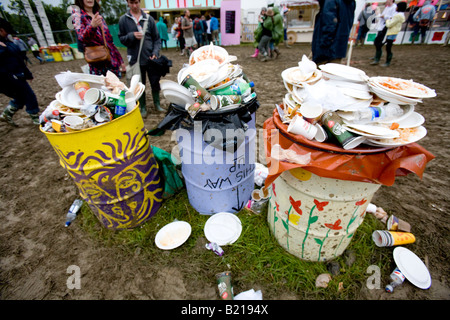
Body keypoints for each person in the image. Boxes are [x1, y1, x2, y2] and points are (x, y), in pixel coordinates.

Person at [119, 0, 164, 116]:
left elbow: (156, 39)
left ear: (139, 2)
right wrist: (131, 36)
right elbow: (121, 39)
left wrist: (155, 52)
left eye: (136, 2)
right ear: (128, 3)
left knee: (155, 82)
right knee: (139, 83)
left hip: (151, 58)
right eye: (131, 3)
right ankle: (142, 107)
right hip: (135, 59)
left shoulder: (148, 19)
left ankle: (157, 104)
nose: (134, 6)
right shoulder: (123, 20)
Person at [0, 18, 40, 126]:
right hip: (7, 77)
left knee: (20, 97)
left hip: (17, 75)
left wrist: (27, 74)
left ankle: (6, 114)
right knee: (29, 95)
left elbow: (19, 60)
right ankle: (35, 117)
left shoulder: (8, 43)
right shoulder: (3, 45)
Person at [72, 0, 124, 77]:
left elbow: (109, 41)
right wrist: (92, 26)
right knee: (100, 88)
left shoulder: (98, 15)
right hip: (97, 62)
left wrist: (120, 61)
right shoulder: (77, 15)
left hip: (111, 62)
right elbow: (81, 37)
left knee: (117, 87)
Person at [311, 0, 356, 65]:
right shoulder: (351, 2)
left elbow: (329, 25)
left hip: (326, 50)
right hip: (340, 46)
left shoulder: (330, 1)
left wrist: (322, 46)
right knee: (333, 72)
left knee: (320, 73)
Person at [370, 0, 397, 65]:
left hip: (386, 27)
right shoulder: (387, 7)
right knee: (377, 42)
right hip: (381, 26)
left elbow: (392, 18)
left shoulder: (394, 7)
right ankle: (377, 56)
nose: (386, 1)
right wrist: (381, 15)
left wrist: (384, 16)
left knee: (380, 43)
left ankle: (378, 58)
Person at [382, 1, 407, 67]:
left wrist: (387, 20)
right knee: (388, 47)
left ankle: (388, 61)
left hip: (392, 32)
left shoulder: (397, 16)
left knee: (388, 48)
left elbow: (389, 24)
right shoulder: (401, 15)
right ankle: (388, 61)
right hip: (394, 32)